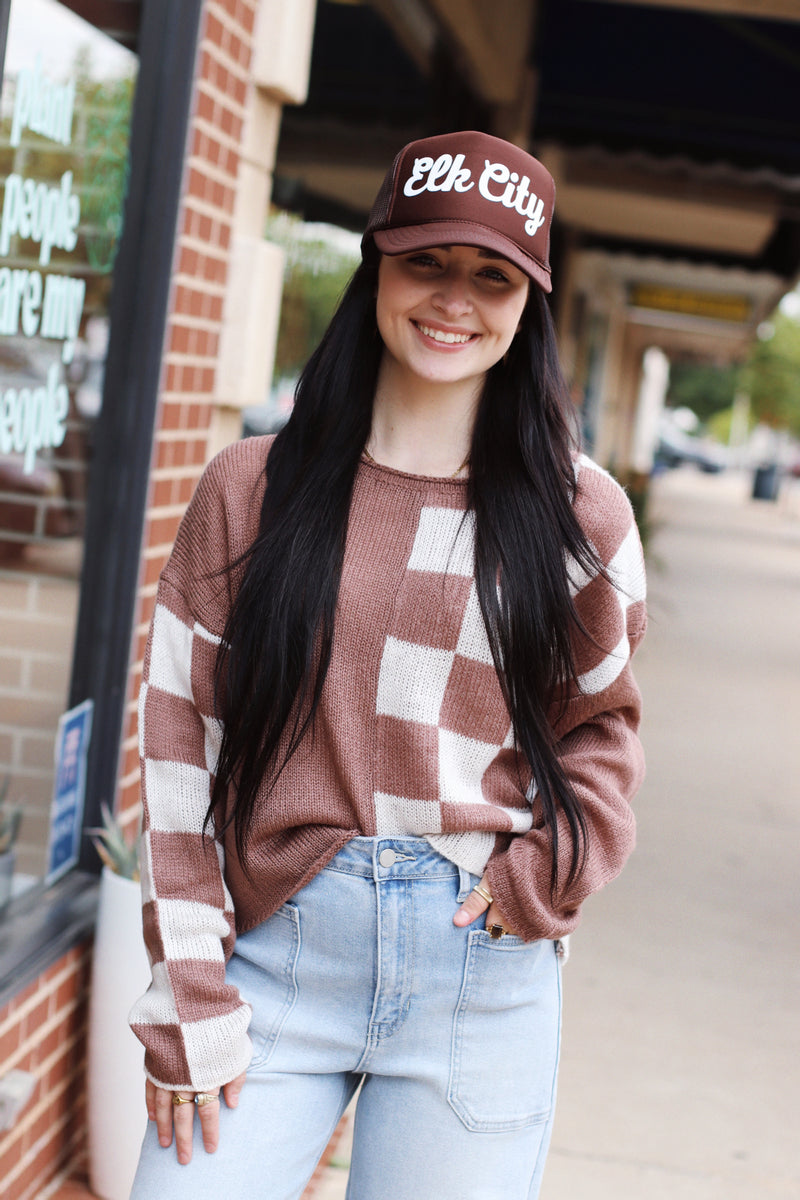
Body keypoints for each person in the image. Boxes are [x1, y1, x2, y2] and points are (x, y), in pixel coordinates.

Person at [129, 130, 646, 1200]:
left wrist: (541, 878)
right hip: (275, 951)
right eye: (425, 262)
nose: (453, 299)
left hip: (478, 968)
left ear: (527, 306)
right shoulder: (251, 487)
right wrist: (187, 984)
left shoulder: (578, 516)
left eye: (492, 276)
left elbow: (601, 731)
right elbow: (183, 743)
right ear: (377, 266)